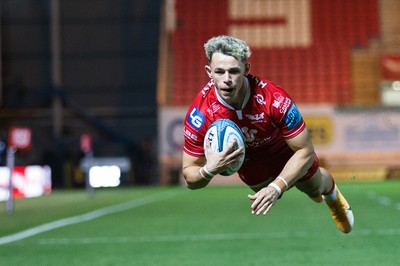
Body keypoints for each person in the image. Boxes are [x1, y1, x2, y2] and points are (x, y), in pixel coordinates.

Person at [181, 35, 354, 234]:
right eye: (219, 72)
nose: (227, 80)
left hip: (284, 150)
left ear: (246, 70)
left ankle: (331, 194)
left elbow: (305, 150)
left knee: (312, 188)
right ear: (209, 72)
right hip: (248, 160)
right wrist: (209, 170)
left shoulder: (274, 98)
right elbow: (190, 176)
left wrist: (277, 187)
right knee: (266, 192)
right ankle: (298, 183)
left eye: (234, 71)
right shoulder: (200, 114)